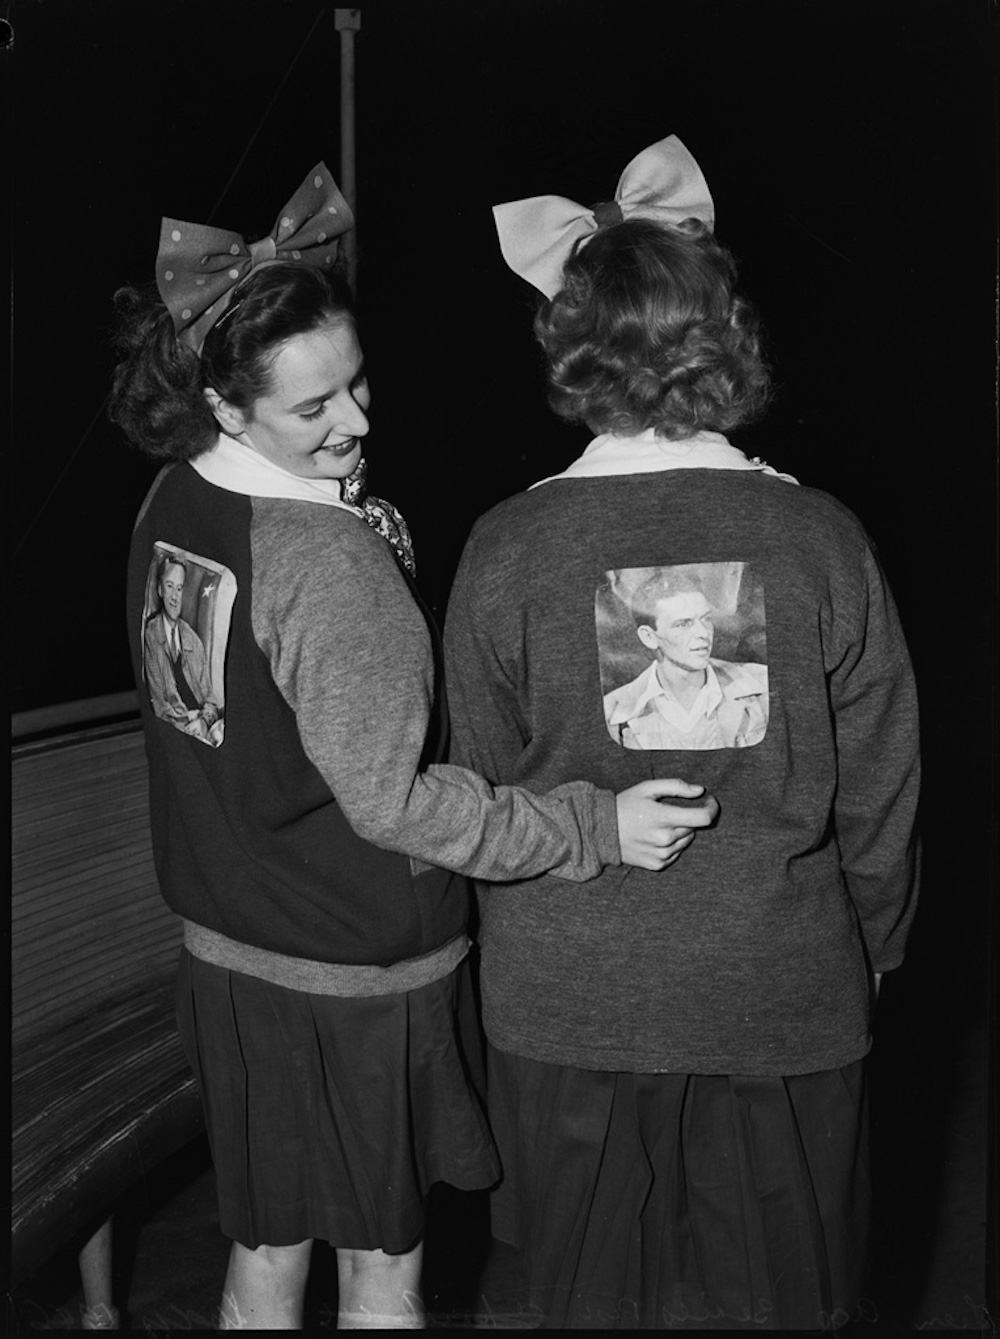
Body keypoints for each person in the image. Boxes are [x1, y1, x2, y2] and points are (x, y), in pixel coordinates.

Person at [109, 162, 718, 1332]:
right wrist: (591, 822)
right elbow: (394, 805)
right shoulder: (323, 560)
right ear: (227, 406)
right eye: (315, 408)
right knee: (385, 1270)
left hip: (231, 955)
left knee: (263, 1255)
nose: (360, 420)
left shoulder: (173, 503)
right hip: (350, 978)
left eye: (357, 382)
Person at [443, 135, 920, 1328]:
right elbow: (883, 787)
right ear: (726, 337)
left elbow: (485, 789)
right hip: (782, 995)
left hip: (565, 1009)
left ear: (566, 344)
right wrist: (876, 943)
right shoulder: (821, 537)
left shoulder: (503, 546)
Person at [602, 566, 768, 750]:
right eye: (683, 624)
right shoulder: (614, 712)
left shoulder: (761, 684)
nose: (703, 633)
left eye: (706, 619)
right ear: (649, 637)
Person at [143, 554, 224, 745]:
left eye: (179, 588)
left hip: (204, 728)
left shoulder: (193, 641)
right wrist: (189, 720)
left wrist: (204, 721)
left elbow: (209, 698)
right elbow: (159, 705)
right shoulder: (152, 634)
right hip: (178, 734)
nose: (174, 596)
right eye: (169, 586)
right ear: (160, 590)